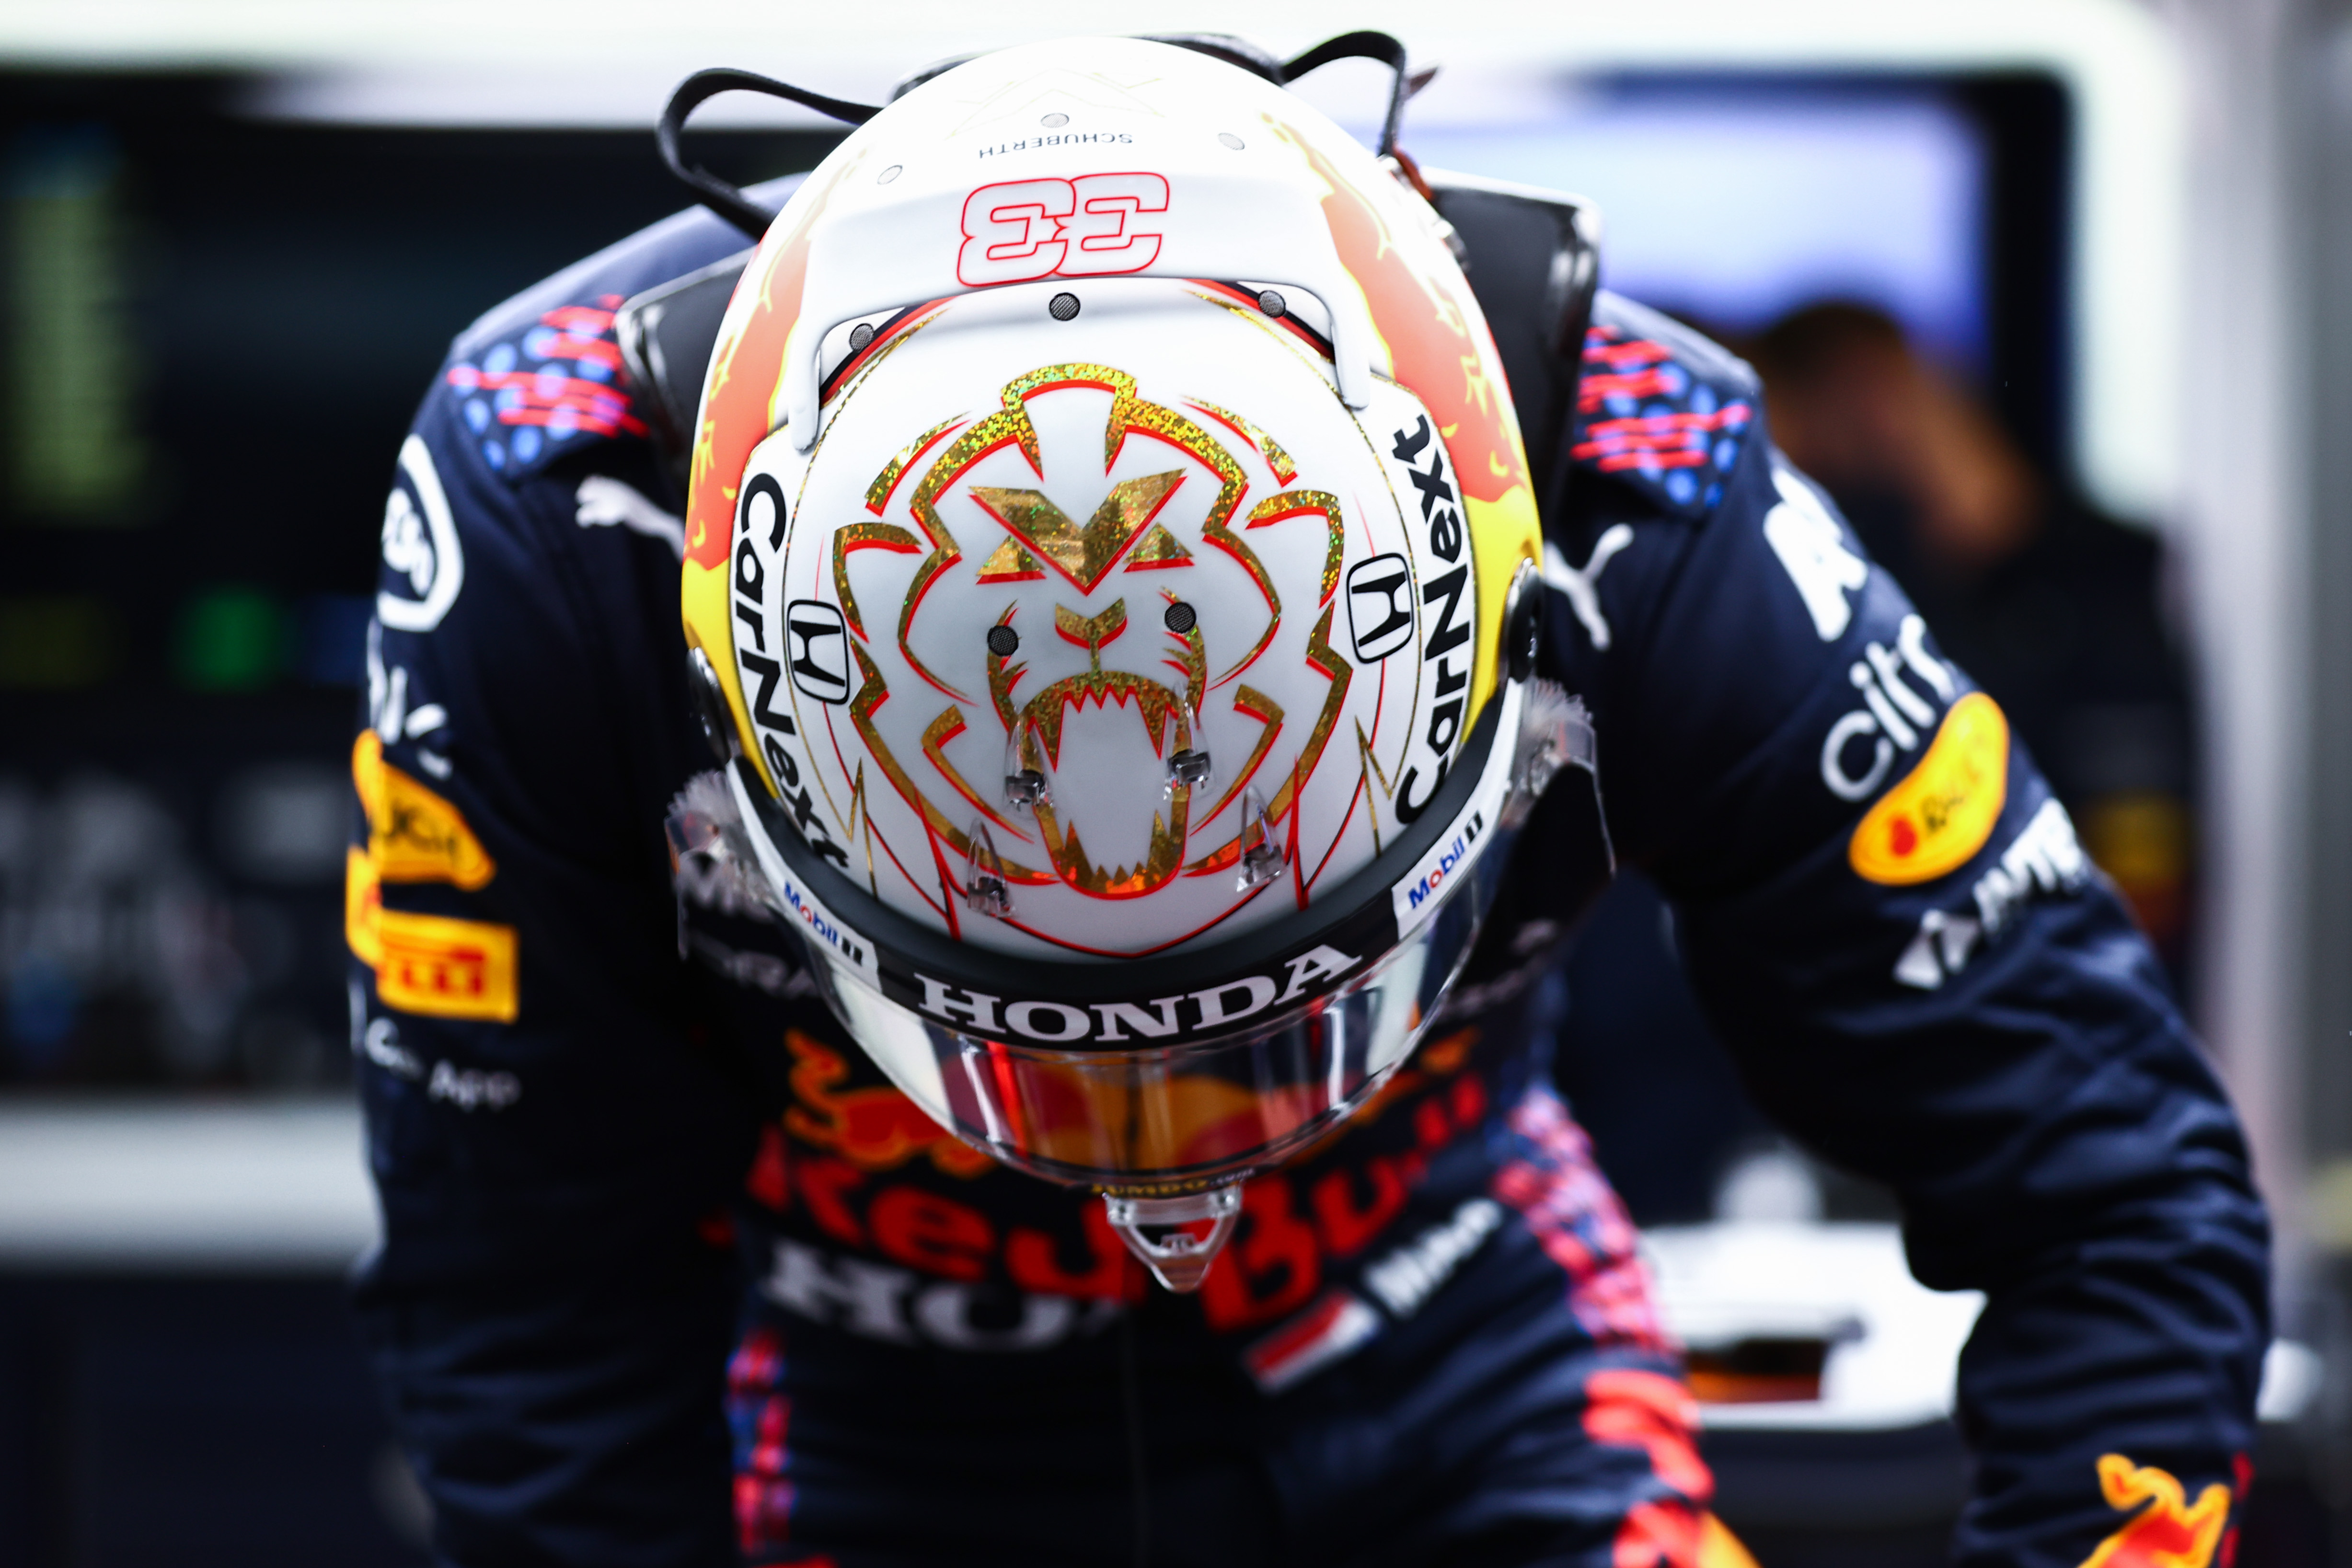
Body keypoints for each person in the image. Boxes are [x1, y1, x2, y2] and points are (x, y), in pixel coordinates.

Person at [345, 35, 2268, 1568]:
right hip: (874, 1427)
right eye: (1058, 1039)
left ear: (1484, 632)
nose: (1160, 1162)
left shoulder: (1636, 489)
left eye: (1240, 1015)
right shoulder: (550, 521)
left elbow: (2112, 1182)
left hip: (1466, 1363)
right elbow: (522, 1299)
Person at [1751, 302, 2199, 972]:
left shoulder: (2101, 587)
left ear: (1867, 396)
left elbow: (2142, 880)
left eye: (1807, 453)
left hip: (2069, 994)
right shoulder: (1903, 587)